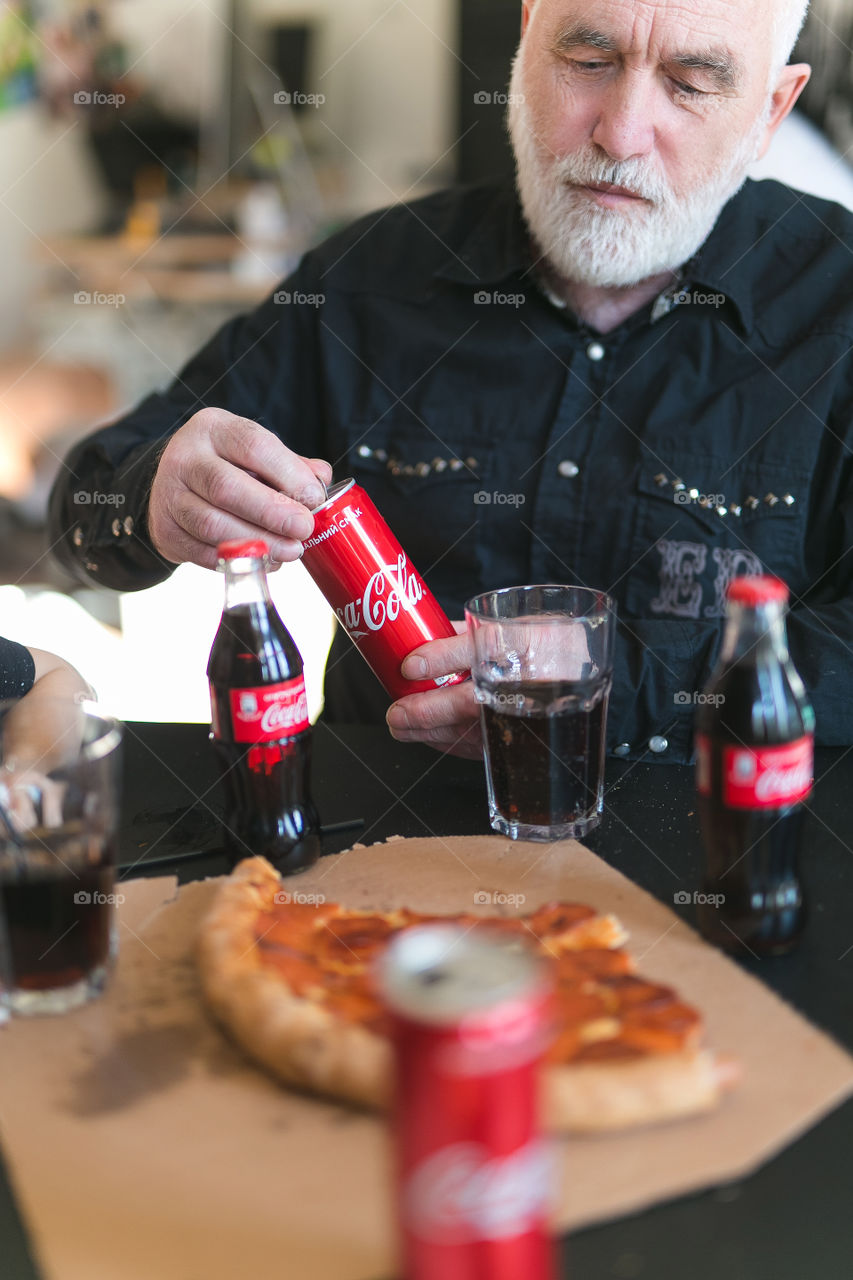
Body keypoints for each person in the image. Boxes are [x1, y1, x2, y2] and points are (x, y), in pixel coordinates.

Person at [49, 0, 852, 764]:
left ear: (769, 114)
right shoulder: (368, 283)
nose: (619, 133)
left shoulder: (837, 305)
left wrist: (623, 683)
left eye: (690, 84)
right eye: (588, 57)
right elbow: (80, 511)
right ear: (525, 42)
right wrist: (153, 494)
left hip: (721, 868)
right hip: (376, 873)